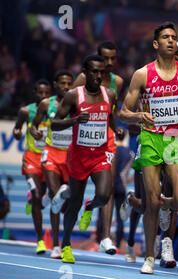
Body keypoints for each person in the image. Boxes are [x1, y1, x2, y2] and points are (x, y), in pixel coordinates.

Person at [119, 22, 178, 274]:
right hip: (150, 140)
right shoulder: (142, 74)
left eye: (173, 37)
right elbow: (122, 111)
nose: (170, 41)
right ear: (156, 44)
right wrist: (138, 117)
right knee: (151, 203)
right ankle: (148, 257)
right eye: (165, 37)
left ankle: (168, 203)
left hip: (175, 140)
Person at [51, 55, 122, 263]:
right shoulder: (74, 95)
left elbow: (110, 117)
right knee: (74, 202)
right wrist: (74, 120)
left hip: (99, 154)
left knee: (104, 196)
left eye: (101, 72)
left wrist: (116, 130)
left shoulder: (109, 94)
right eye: (94, 71)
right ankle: (65, 245)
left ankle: (90, 207)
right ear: (85, 72)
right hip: (79, 156)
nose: (98, 76)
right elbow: (55, 123)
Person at [73, 41, 124, 254]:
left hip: (107, 140)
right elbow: (69, 102)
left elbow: (115, 112)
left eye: (113, 58)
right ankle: (86, 206)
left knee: (108, 188)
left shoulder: (117, 82)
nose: (110, 63)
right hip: (83, 140)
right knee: (78, 188)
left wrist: (128, 122)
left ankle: (106, 238)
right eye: (106, 59)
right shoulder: (84, 78)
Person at [30, 70, 74, 259]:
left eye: (69, 83)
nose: (66, 86)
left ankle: (49, 197)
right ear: (55, 85)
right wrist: (35, 133)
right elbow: (34, 125)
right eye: (62, 83)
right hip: (51, 153)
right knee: (57, 194)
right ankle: (56, 245)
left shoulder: (75, 103)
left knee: (64, 203)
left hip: (70, 156)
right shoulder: (46, 104)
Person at [12, 79, 51, 254]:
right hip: (31, 158)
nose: (43, 96)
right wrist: (17, 133)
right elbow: (17, 129)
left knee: (42, 201)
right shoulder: (26, 111)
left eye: (46, 93)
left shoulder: (54, 109)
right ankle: (40, 240)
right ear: (35, 93)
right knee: (37, 196)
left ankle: (32, 197)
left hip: (48, 157)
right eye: (40, 93)